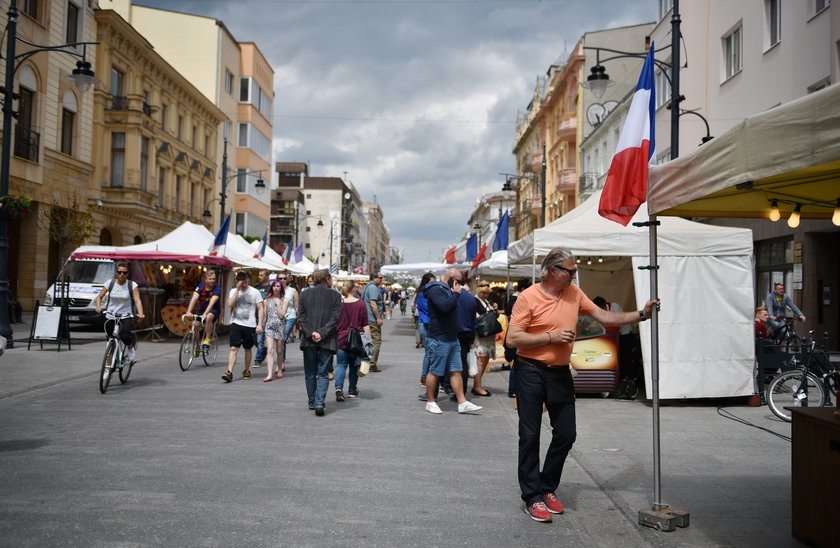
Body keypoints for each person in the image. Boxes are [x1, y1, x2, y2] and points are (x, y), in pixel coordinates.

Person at [507, 247, 659, 522]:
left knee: (566, 433)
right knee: (529, 436)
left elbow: (605, 317)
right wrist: (551, 337)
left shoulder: (574, 294)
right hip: (530, 371)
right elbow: (513, 339)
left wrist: (642, 314)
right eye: (570, 270)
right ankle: (532, 496)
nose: (575, 275)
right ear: (553, 271)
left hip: (560, 372)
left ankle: (546, 487)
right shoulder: (528, 297)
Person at [422, 268, 482, 415]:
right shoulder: (436, 289)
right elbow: (444, 307)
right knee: (435, 371)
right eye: (457, 281)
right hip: (439, 338)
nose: (459, 284)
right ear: (450, 278)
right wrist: (455, 294)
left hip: (452, 338)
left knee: (456, 371)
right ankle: (430, 401)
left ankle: (462, 402)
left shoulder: (450, 291)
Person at [298, 268, 342, 416]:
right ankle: (319, 402)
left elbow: (301, 317)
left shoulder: (304, 294)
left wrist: (311, 333)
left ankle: (312, 401)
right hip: (327, 339)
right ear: (327, 280)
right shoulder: (336, 296)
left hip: (309, 339)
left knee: (310, 372)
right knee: (323, 373)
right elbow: (335, 319)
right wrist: (322, 333)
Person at [94, 263, 145, 363]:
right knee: (110, 340)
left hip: (126, 315)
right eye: (119, 272)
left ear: (127, 274)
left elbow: (137, 300)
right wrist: (98, 306)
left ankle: (130, 348)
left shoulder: (132, 285)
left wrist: (141, 313)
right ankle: (108, 367)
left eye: (124, 272)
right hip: (111, 315)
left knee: (124, 335)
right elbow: (99, 297)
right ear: (116, 273)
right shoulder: (110, 283)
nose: (122, 274)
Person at [221, 271, 265, 383]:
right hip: (236, 322)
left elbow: (261, 308)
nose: (244, 284)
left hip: (250, 324)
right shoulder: (233, 291)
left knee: (247, 348)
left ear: (248, 281)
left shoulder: (255, 292)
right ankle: (229, 372)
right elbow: (230, 304)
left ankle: (246, 369)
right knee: (233, 348)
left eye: (246, 282)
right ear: (237, 282)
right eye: (242, 282)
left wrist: (260, 324)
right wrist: (237, 290)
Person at [335, 280, 370, 400]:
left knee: (341, 364)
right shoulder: (361, 304)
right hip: (356, 340)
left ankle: (339, 388)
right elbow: (365, 324)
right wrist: (368, 342)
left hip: (341, 338)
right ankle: (352, 390)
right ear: (354, 289)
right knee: (354, 366)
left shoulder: (338, 304)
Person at [504, 278, 532, 398]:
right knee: (516, 364)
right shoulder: (516, 299)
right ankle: (512, 390)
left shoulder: (515, 298)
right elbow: (509, 314)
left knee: (517, 364)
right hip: (516, 334)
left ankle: (514, 389)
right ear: (523, 289)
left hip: (515, 333)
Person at [184, 270, 221, 347]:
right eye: (210, 279)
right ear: (205, 280)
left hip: (213, 309)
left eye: (214, 279)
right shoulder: (200, 287)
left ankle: (207, 339)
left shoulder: (217, 288)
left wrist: (205, 314)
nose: (212, 281)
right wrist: (188, 311)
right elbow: (194, 298)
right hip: (201, 309)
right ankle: (197, 345)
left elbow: (212, 303)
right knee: (195, 325)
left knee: (208, 317)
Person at [472, 282, 497, 397]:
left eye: (488, 293)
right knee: (481, 361)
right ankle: (477, 386)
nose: (486, 295)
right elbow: (477, 317)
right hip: (481, 336)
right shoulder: (475, 301)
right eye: (484, 293)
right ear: (479, 291)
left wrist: (494, 310)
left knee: (485, 360)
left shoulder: (486, 301)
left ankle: (477, 385)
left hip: (488, 335)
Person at [262, 279, 289, 382]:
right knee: (269, 349)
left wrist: (278, 304)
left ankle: (280, 369)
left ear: (281, 288)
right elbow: (265, 315)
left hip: (280, 326)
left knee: (279, 350)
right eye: (274, 286)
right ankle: (269, 374)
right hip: (269, 326)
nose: (276, 288)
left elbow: (282, 315)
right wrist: (261, 325)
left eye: (278, 286)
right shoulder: (267, 300)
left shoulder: (285, 300)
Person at [415, 272, 436, 400]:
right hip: (425, 323)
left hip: (431, 323)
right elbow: (427, 309)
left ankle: (427, 376)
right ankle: (424, 377)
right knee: (428, 351)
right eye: (432, 281)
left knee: (431, 351)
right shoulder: (422, 293)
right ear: (426, 281)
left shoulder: (430, 293)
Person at [362, 272, 384, 372]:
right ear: (374, 278)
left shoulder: (367, 287)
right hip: (372, 319)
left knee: (367, 341)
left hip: (366, 318)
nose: (381, 279)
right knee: (376, 341)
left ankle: (366, 364)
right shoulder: (373, 288)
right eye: (380, 278)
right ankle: (372, 363)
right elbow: (373, 303)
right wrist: (378, 318)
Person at [252, 270, 271, 368]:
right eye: (259, 275)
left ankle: (258, 359)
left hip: (265, 317)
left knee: (260, 339)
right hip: (254, 316)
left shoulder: (270, 288)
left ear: (267, 276)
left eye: (262, 275)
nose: (260, 277)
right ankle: (264, 350)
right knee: (254, 339)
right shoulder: (256, 287)